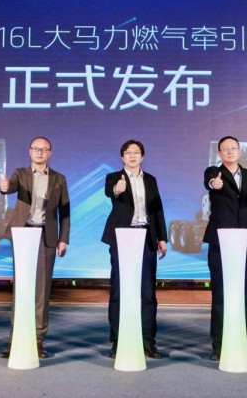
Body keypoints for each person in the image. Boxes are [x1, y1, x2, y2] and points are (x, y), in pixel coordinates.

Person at [0, 136, 70, 359]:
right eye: (36, 148)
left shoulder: (59, 178)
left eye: (44, 149)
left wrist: (63, 239)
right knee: (21, 287)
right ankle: (15, 340)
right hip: (23, 234)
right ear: (30, 151)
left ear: (50, 153)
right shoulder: (20, 174)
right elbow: (10, 187)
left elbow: (65, 212)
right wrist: (4, 187)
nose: (40, 152)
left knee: (41, 289)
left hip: (46, 236)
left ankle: (38, 340)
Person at [102, 139, 168, 359]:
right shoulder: (114, 177)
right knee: (119, 290)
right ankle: (118, 341)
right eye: (128, 152)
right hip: (122, 236)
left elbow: (157, 209)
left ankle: (148, 342)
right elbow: (110, 192)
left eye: (136, 152)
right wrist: (117, 189)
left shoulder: (150, 180)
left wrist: (162, 238)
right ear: (122, 156)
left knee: (147, 292)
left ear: (142, 156)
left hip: (146, 236)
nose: (132, 155)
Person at [202, 135, 247, 362]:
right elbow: (210, 181)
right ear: (219, 153)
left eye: (233, 148)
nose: (229, 151)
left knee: (245, 295)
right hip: (220, 242)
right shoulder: (213, 172)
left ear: (239, 151)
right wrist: (214, 184)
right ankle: (218, 346)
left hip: (246, 241)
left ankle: (246, 344)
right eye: (225, 149)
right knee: (220, 294)